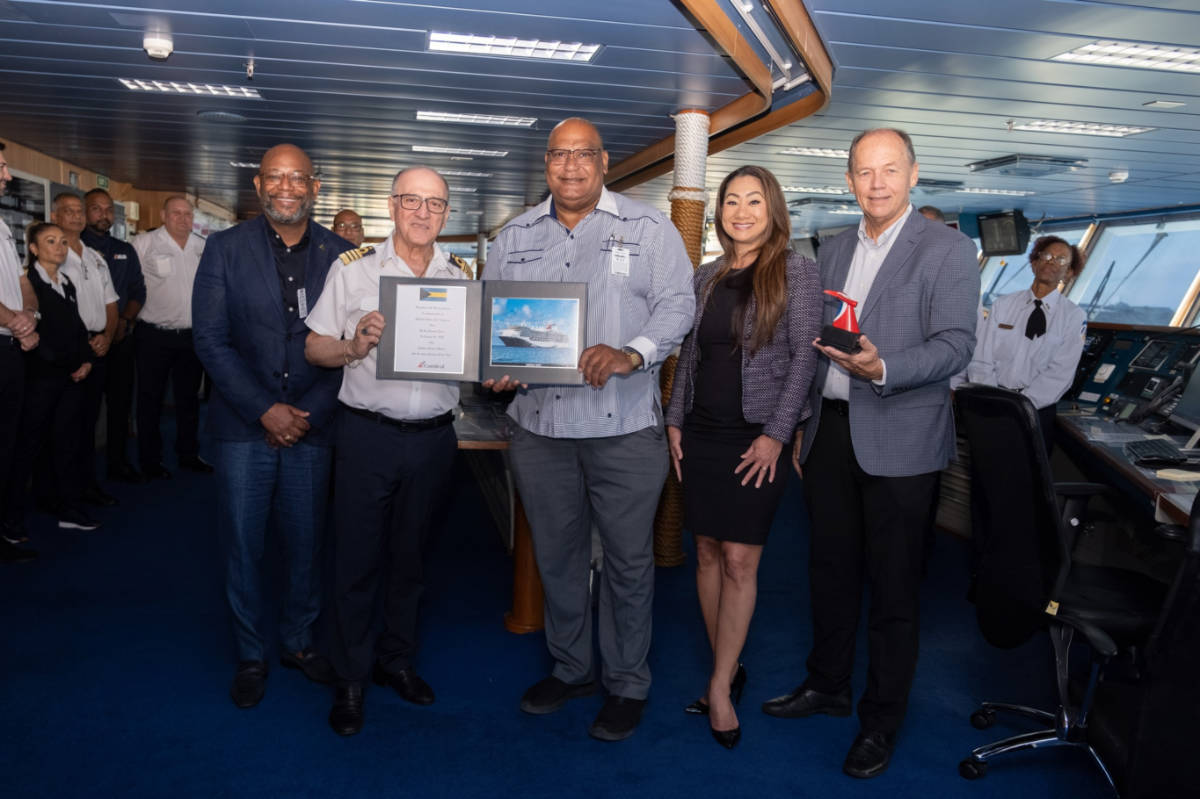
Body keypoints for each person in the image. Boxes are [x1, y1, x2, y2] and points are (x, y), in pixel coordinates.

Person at [761, 129, 978, 778]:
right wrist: (803, 422)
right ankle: (826, 684)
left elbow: (956, 344)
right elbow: (819, 343)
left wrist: (886, 366)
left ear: (914, 174)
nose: (876, 182)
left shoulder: (948, 249)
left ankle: (880, 721)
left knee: (892, 591)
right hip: (830, 433)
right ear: (850, 180)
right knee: (827, 572)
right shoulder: (831, 248)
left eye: (889, 170)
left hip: (902, 440)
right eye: (863, 171)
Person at [486, 117, 695, 742]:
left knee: (629, 561)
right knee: (558, 556)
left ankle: (627, 682)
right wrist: (496, 366)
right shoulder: (514, 234)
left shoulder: (648, 227)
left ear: (605, 162)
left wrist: (632, 351)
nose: (571, 167)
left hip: (624, 426)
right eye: (559, 155)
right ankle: (573, 667)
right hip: (540, 426)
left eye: (584, 155)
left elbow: (678, 306)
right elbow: (493, 315)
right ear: (545, 163)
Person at [306, 166, 470, 736]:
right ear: (392, 205)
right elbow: (314, 346)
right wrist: (352, 345)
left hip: (433, 441)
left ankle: (396, 660)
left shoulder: (462, 276)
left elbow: (476, 358)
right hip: (366, 435)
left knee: (412, 560)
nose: (423, 213)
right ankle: (350, 677)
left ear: (447, 214)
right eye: (412, 201)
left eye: (435, 204)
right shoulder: (354, 271)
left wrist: (501, 371)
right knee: (355, 560)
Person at [664, 165, 822, 749]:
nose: (741, 211)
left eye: (754, 201)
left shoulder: (797, 271)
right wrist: (674, 422)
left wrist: (778, 435)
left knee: (739, 561)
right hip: (702, 434)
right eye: (732, 201)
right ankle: (725, 669)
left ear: (772, 209)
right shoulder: (704, 276)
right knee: (705, 553)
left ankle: (720, 687)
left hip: (758, 436)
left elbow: (804, 361)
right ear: (720, 213)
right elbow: (688, 356)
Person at [193, 143, 355, 710]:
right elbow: (210, 341)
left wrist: (305, 414)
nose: (286, 187)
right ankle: (250, 653)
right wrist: (265, 409)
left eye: (298, 179)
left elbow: (352, 350)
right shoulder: (223, 249)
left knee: (308, 545)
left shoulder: (345, 255)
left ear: (315, 187)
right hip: (243, 428)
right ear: (258, 186)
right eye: (274, 178)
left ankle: (297, 642)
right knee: (242, 545)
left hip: (315, 423)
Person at [4, 223, 98, 533]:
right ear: (33, 249)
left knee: (66, 441)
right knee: (27, 446)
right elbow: (35, 335)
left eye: (61, 241)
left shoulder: (66, 282)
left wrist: (85, 359)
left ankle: (64, 505)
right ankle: (11, 518)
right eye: (50, 241)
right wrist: (64, 364)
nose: (59, 247)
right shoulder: (29, 283)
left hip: (70, 376)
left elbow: (76, 328)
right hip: (40, 378)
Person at [965, 235, 1086, 453]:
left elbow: (1060, 374)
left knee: (1027, 481)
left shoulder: (1073, 316)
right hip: (993, 403)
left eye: (1061, 260)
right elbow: (981, 358)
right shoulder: (1003, 305)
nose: (1051, 262)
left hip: (1035, 411)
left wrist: (1022, 406)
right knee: (985, 476)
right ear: (1034, 262)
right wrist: (993, 399)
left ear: (1068, 274)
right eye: (1047, 256)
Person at [132, 196, 210, 478]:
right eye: (176, 213)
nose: (183, 218)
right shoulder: (143, 245)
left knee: (189, 400)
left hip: (191, 337)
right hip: (154, 336)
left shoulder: (203, 247)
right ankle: (150, 460)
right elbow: (131, 287)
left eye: (188, 214)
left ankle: (188, 454)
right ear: (164, 215)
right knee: (149, 400)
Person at [52, 193, 119, 508]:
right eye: (69, 211)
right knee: (65, 425)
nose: (77, 217)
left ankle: (86, 484)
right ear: (55, 215)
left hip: (97, 347)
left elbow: (111, 303)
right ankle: (61, 493)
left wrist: (107, 335)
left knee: (89, 422)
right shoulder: (53, 254)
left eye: (80, 211)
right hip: (68, 350)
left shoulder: (95, 257)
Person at [81, 188, 147, 484]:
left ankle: (118, 463)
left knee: (120, 407)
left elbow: (137, 291)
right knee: (85, 412)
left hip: (121, 339)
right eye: (96, 209)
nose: (103, 214)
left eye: (108, 209)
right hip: (86, 343)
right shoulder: (72, 247)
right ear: (85, 212)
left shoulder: (125, 250)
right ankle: (82, 476)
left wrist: (125, 320)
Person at [0, 143, 40, 562]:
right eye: (2, 167)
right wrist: (15, 321)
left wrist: (28, 315)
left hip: (11, 346)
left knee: (8, 445)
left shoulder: (0, 224)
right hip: (5, 339)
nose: (8, 176)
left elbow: (20, 280)